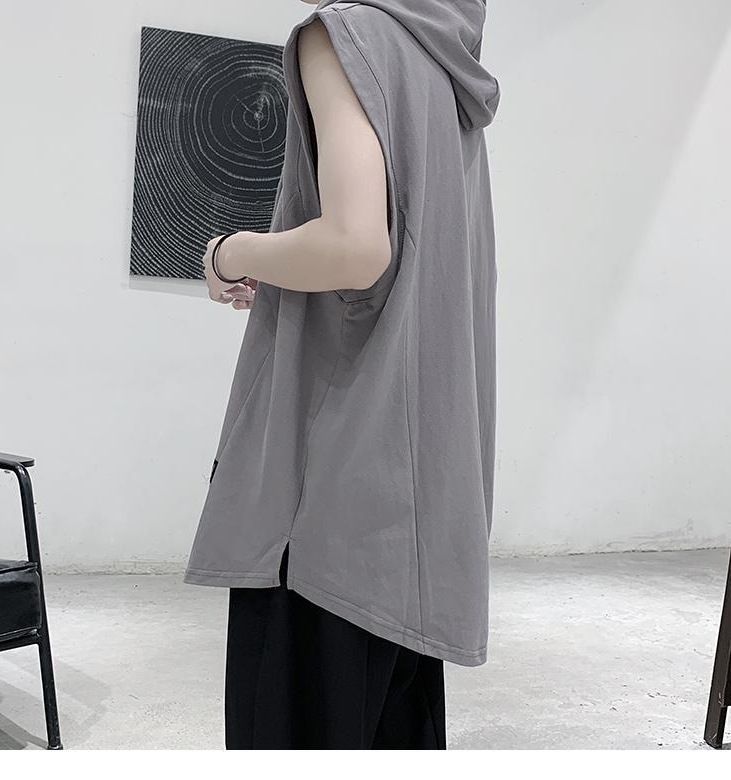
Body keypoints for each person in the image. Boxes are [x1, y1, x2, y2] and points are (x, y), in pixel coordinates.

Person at [184, 0, 500, 749]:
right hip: (417, 516)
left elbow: (357, 247)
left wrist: (229, 251)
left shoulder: (343, 35)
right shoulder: (447, 71)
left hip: (325, 512)